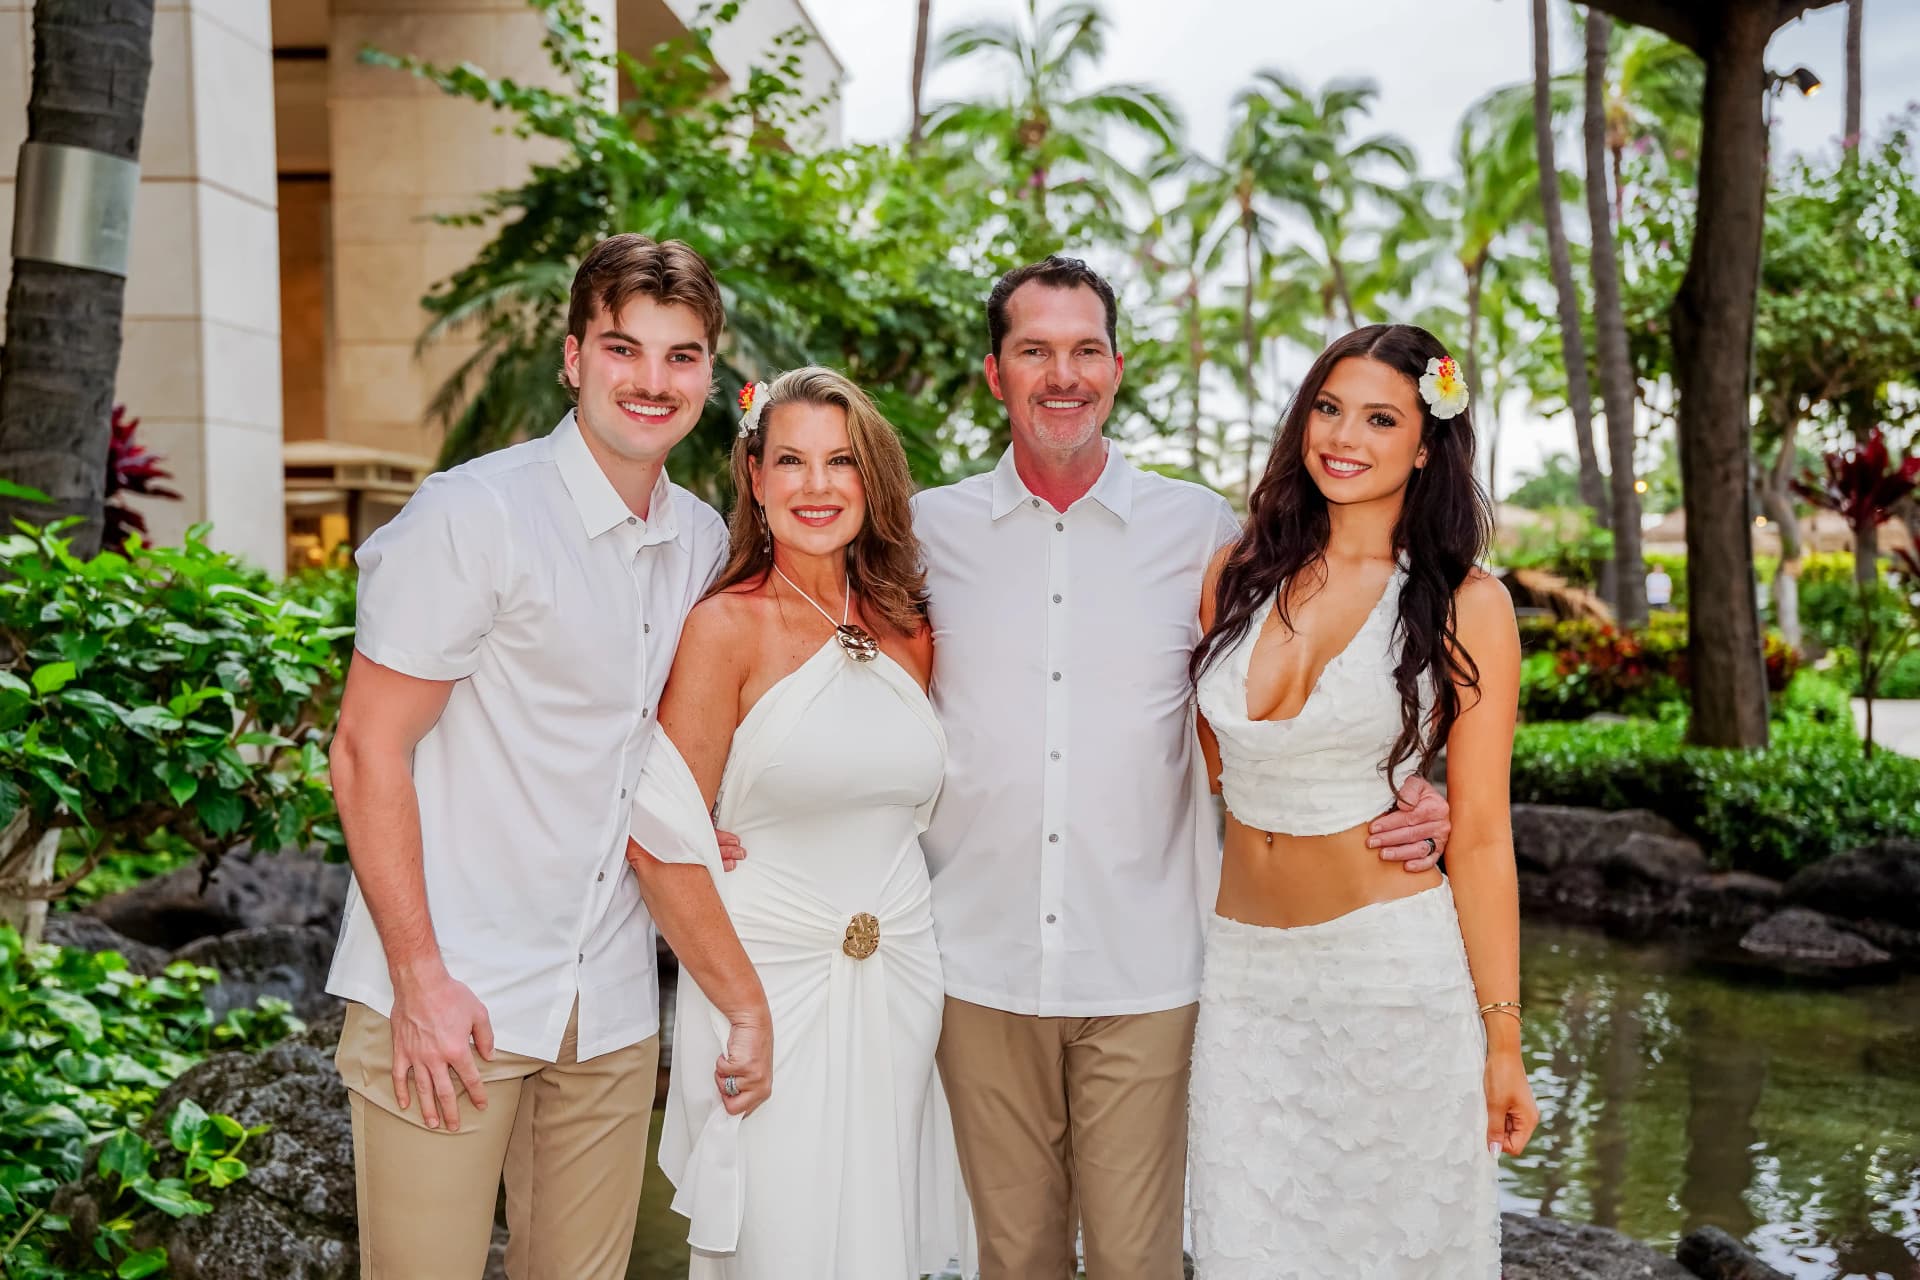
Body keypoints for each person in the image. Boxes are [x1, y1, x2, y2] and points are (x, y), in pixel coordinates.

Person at [910, 257, 1456, 1279]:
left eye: (1085, 351)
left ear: (1117, 369)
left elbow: (1307, 691)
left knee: (1140, 1260)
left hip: (1150, 969)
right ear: (995, 372)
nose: (1062, 375)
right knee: (1012, 1259)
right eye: (1034, 350)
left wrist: (1425, 789)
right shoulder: (925, 533)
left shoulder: (1207, 534)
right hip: (976, 962)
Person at [324, 234, 772, 1280]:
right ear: (573, 358)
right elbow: (365, 749)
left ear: (710, 374)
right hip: (453, 993)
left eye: (681, 355)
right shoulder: (474, 515)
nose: (652, 380)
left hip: (609, 1005)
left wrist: (701, 822)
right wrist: (419, 979)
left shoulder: (703, 540)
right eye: (624, 348)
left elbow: (655, 748)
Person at [1188, 324, 1539, 1277]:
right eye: (1329, 409)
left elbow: (1482, 838)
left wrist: (1503, 1042)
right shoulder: (1235, 576)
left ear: (1427, 445)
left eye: (1381, 419)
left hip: (1389, 981)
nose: (1344, 437)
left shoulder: (1467, 602)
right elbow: (1215, 766)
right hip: (1244, 983)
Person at [630, 367, 969, 1278]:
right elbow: (659, 841)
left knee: (883, 1237)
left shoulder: (909, 626)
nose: (817, 486)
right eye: (791, 461)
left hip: (903, 974)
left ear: (873, 478)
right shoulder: (725, 628)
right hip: (767, 979)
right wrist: (744, 1008)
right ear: (754, 476)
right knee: (779, 1240)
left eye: (841, 461)